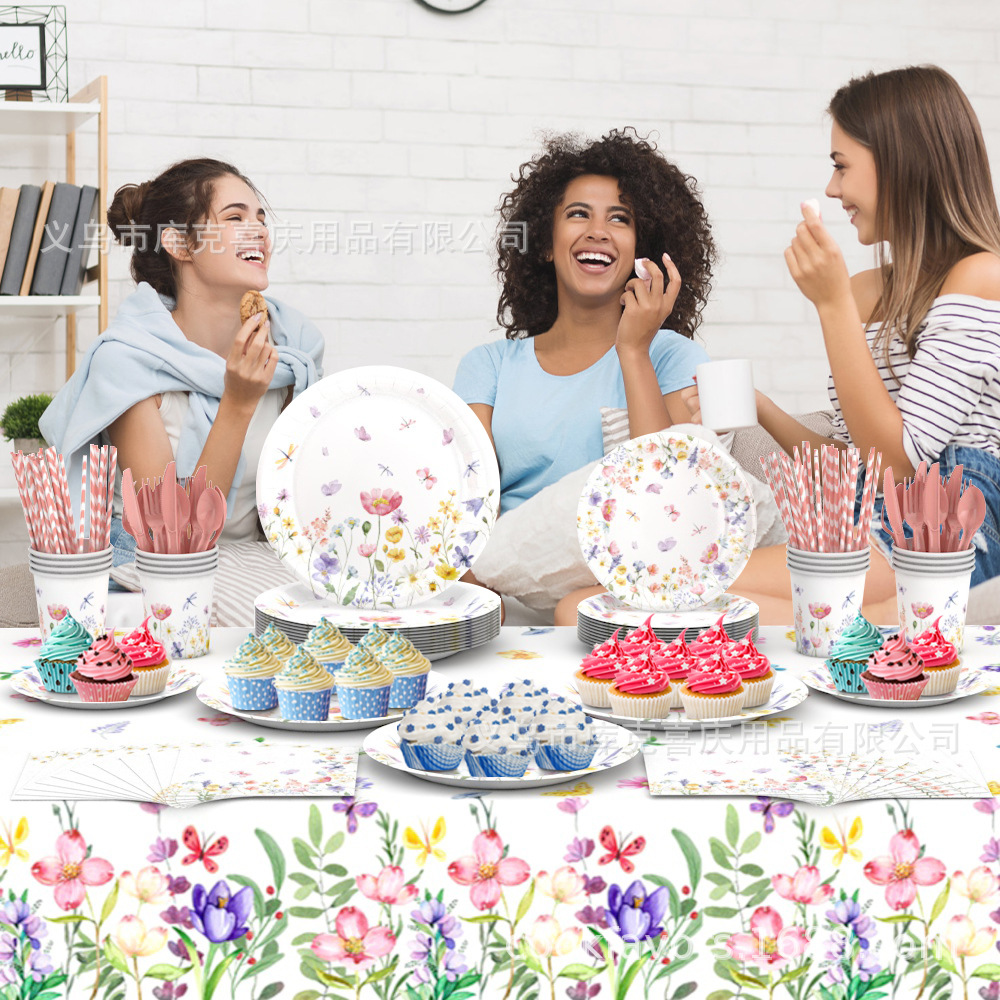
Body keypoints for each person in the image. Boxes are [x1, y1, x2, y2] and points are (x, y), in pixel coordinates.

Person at [685, 65, 1000, 625]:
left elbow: (898, 465)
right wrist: (759, 407)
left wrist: (831, 307)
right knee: (685, 603)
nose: (832, 189)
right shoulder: (863, 292)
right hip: (878, 511)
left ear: (903, 164)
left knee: (694, 588)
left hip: (951, 515)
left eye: (841, 165)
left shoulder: (981, 276)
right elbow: (861, 466)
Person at [451, 128, 717, 624]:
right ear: (547, 246)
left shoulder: (672, 358)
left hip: (623, 595)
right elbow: (466, 507)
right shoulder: (488, 366)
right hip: (506, 592)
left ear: (643, 252)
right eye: (578, 214)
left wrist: (634, 350)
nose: (598, 231)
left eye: (620, 218)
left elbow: (670, 499)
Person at [39, 157, 324, 570]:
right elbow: (174, 540)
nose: (259, 231)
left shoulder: (294, 348)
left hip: (260, 562)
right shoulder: (130, 361)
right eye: (235, 217)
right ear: (179, 244)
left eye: (260, 217)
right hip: (152, 570)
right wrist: (238, 402)